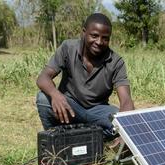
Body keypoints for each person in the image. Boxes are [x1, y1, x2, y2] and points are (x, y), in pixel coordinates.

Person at [36, 13, 134, 145]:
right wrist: (55, 94)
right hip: (70, 107)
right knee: (43, 99)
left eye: (105, 38)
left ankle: (90, 137)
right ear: (83, 32)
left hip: (98, 110)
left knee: (129, 122)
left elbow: (126, 100)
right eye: (94, 36)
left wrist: (125, 131)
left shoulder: (116, 62)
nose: (99, 42)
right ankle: (57, 139)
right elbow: (43, 78)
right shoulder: (68, 48)